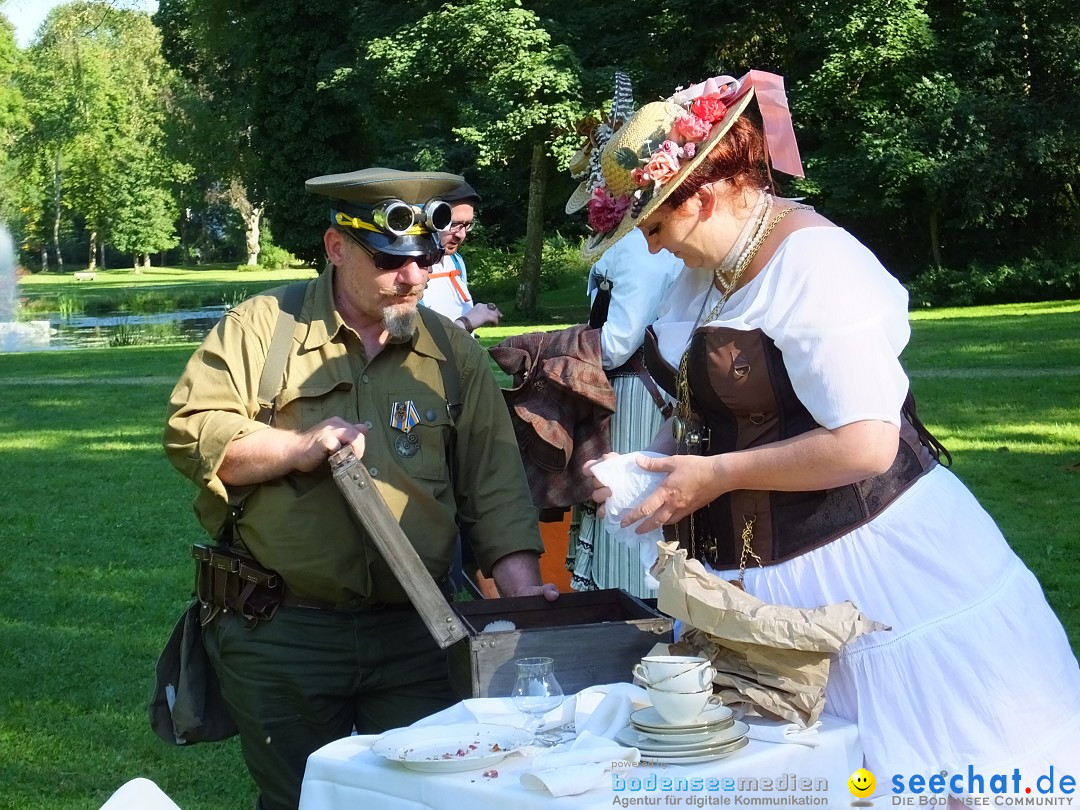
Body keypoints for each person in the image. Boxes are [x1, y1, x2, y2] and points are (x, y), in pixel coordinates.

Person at [580, 71, 1080, 782]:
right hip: (757, 587)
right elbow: (703, 407)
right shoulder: (707, 273)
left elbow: (866, 443)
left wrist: (715, 477)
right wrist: (652, 468)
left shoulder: (817, 265)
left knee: (907, 768)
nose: (654, 249)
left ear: (709, 195)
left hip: (873, 570)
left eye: (657, 225)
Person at [163, 167, 558, 810]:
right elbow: (192, 434)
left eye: (426, 260)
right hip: (284, 631)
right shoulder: (263, 327)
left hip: (418, 634)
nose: (414, 278)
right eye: (390, 261)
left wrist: (521, 597)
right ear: (337, 246)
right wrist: (297, 447)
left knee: (425, 797)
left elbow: (494, 486)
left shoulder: (453, 353)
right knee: (301, 799)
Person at [566, 228, 682, 597]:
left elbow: (618, 342)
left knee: (627, 490)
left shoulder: (638, 243)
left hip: (638, 390)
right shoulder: (639, 240)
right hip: (640, 386)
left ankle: (637, 600)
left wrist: (561, 347)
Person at [419, 178, 502, 334]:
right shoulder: (411, 270)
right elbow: (422, 341)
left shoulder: (456, 262)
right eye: (453, 224)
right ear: (429, 219)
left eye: (467, 225)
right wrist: (467, 322)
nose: (461, 235)